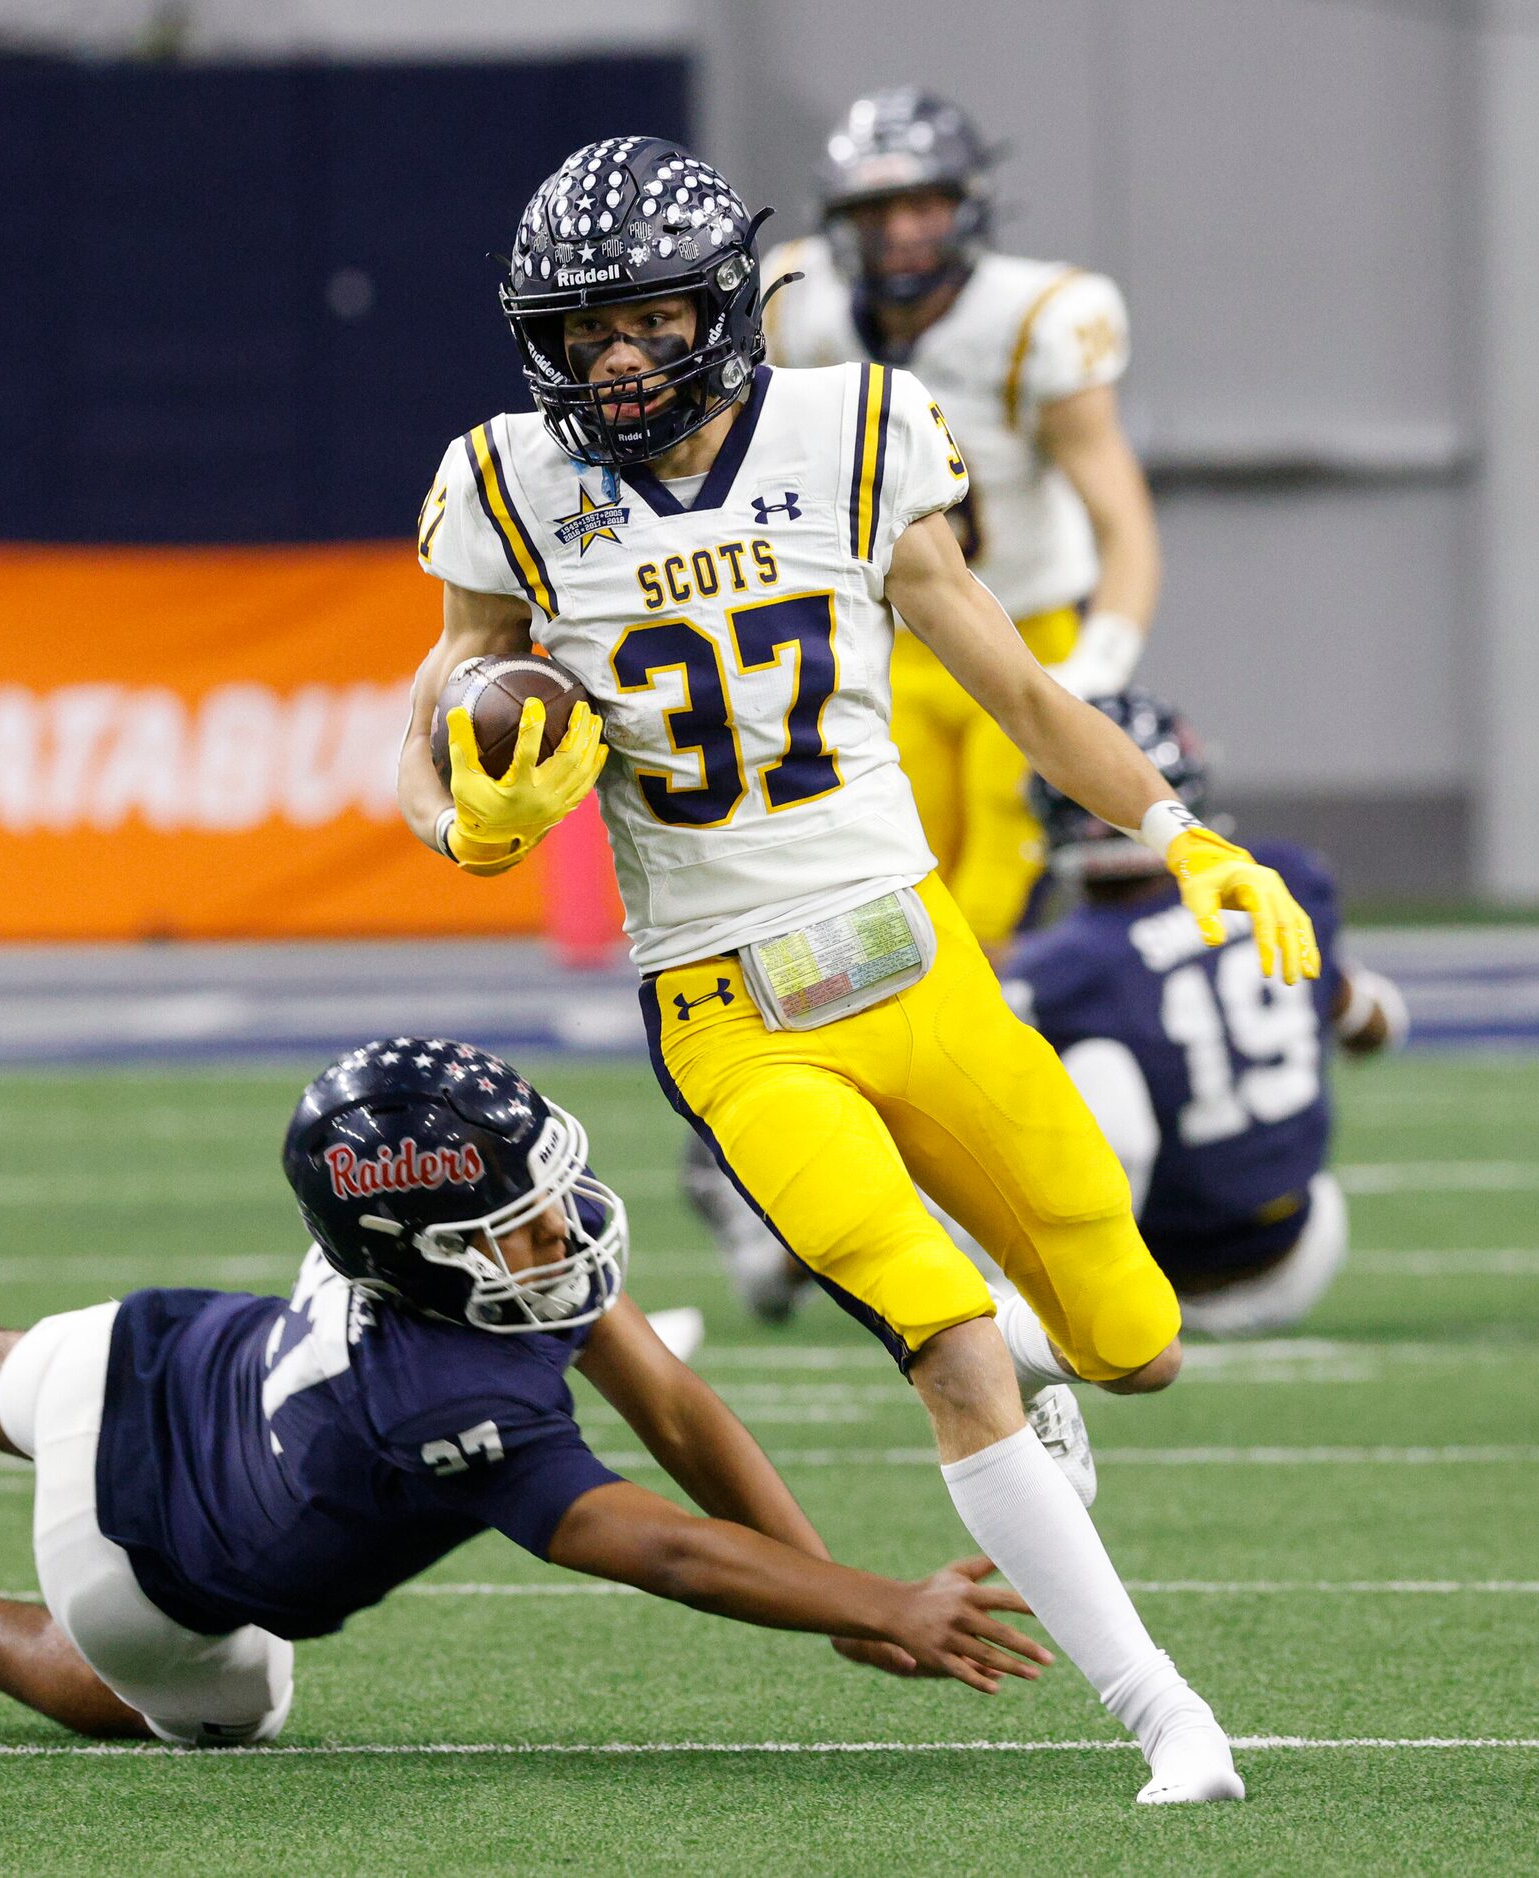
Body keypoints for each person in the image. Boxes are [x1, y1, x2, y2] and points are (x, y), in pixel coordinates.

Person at [403, 136, 1326, 1803]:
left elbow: (1025, 695)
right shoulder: (506, 484)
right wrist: (462, 814)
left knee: (1137, 1340)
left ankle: (1060, 1388)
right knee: (942, 1336)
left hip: (917, 962)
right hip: (728, 1007)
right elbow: (439, 704)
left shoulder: (856, 430)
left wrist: (1186, 831)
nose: (612, 355)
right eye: (580, 328)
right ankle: (1164, 1712)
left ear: (726, 306)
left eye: (645, 317)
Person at [0, 1041, 1051, 1745]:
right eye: (519, 1225)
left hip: (158, 1358)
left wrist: (824, 1588)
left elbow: (679, 1407)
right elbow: (659, 1542)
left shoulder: (446, 1255)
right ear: (423, 1248)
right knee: (198, 1705)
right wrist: (874, 1601)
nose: (561, 1235)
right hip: (145, 1567)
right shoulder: (447, 1399)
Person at [764, 87, 1162, 946]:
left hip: (1022, 626)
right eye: (875, 209)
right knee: (881, 883)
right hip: (883, 639)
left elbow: (1123, 523)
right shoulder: (794, 305)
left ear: (967, 206)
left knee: (991, 892)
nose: (901, 229)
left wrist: (1099, 663)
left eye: (923, 202)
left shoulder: (1037, 321)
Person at [1001, 693, 1404, 1337]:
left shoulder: (1062, 970)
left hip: (1162, 1273)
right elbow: (1375, 1024)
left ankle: (1046, 1305)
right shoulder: (1282, 876)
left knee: (1042, 1078)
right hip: (1306, 1243)